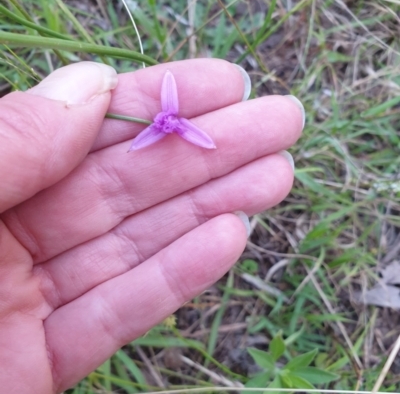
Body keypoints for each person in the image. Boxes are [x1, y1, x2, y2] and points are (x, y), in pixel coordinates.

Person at [0, 59, 304, 393]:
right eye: (165, 119)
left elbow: (198, 136)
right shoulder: (159, 125)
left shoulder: (178, 126)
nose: (166, 120)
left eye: (169, 119)